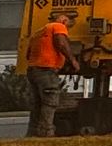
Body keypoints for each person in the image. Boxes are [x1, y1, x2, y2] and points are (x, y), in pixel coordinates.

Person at [25, 7, 81, 138]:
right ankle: (46, 132)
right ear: (63, 20)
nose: (67, 29)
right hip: (46, 70)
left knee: (38, 103)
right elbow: (61, 43)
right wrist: (72, 60)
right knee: (50, 101)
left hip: (33, 70)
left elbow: (28, 54)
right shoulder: (58, 26)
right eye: (68, 25)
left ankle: (33, 133)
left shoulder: (38, 32)